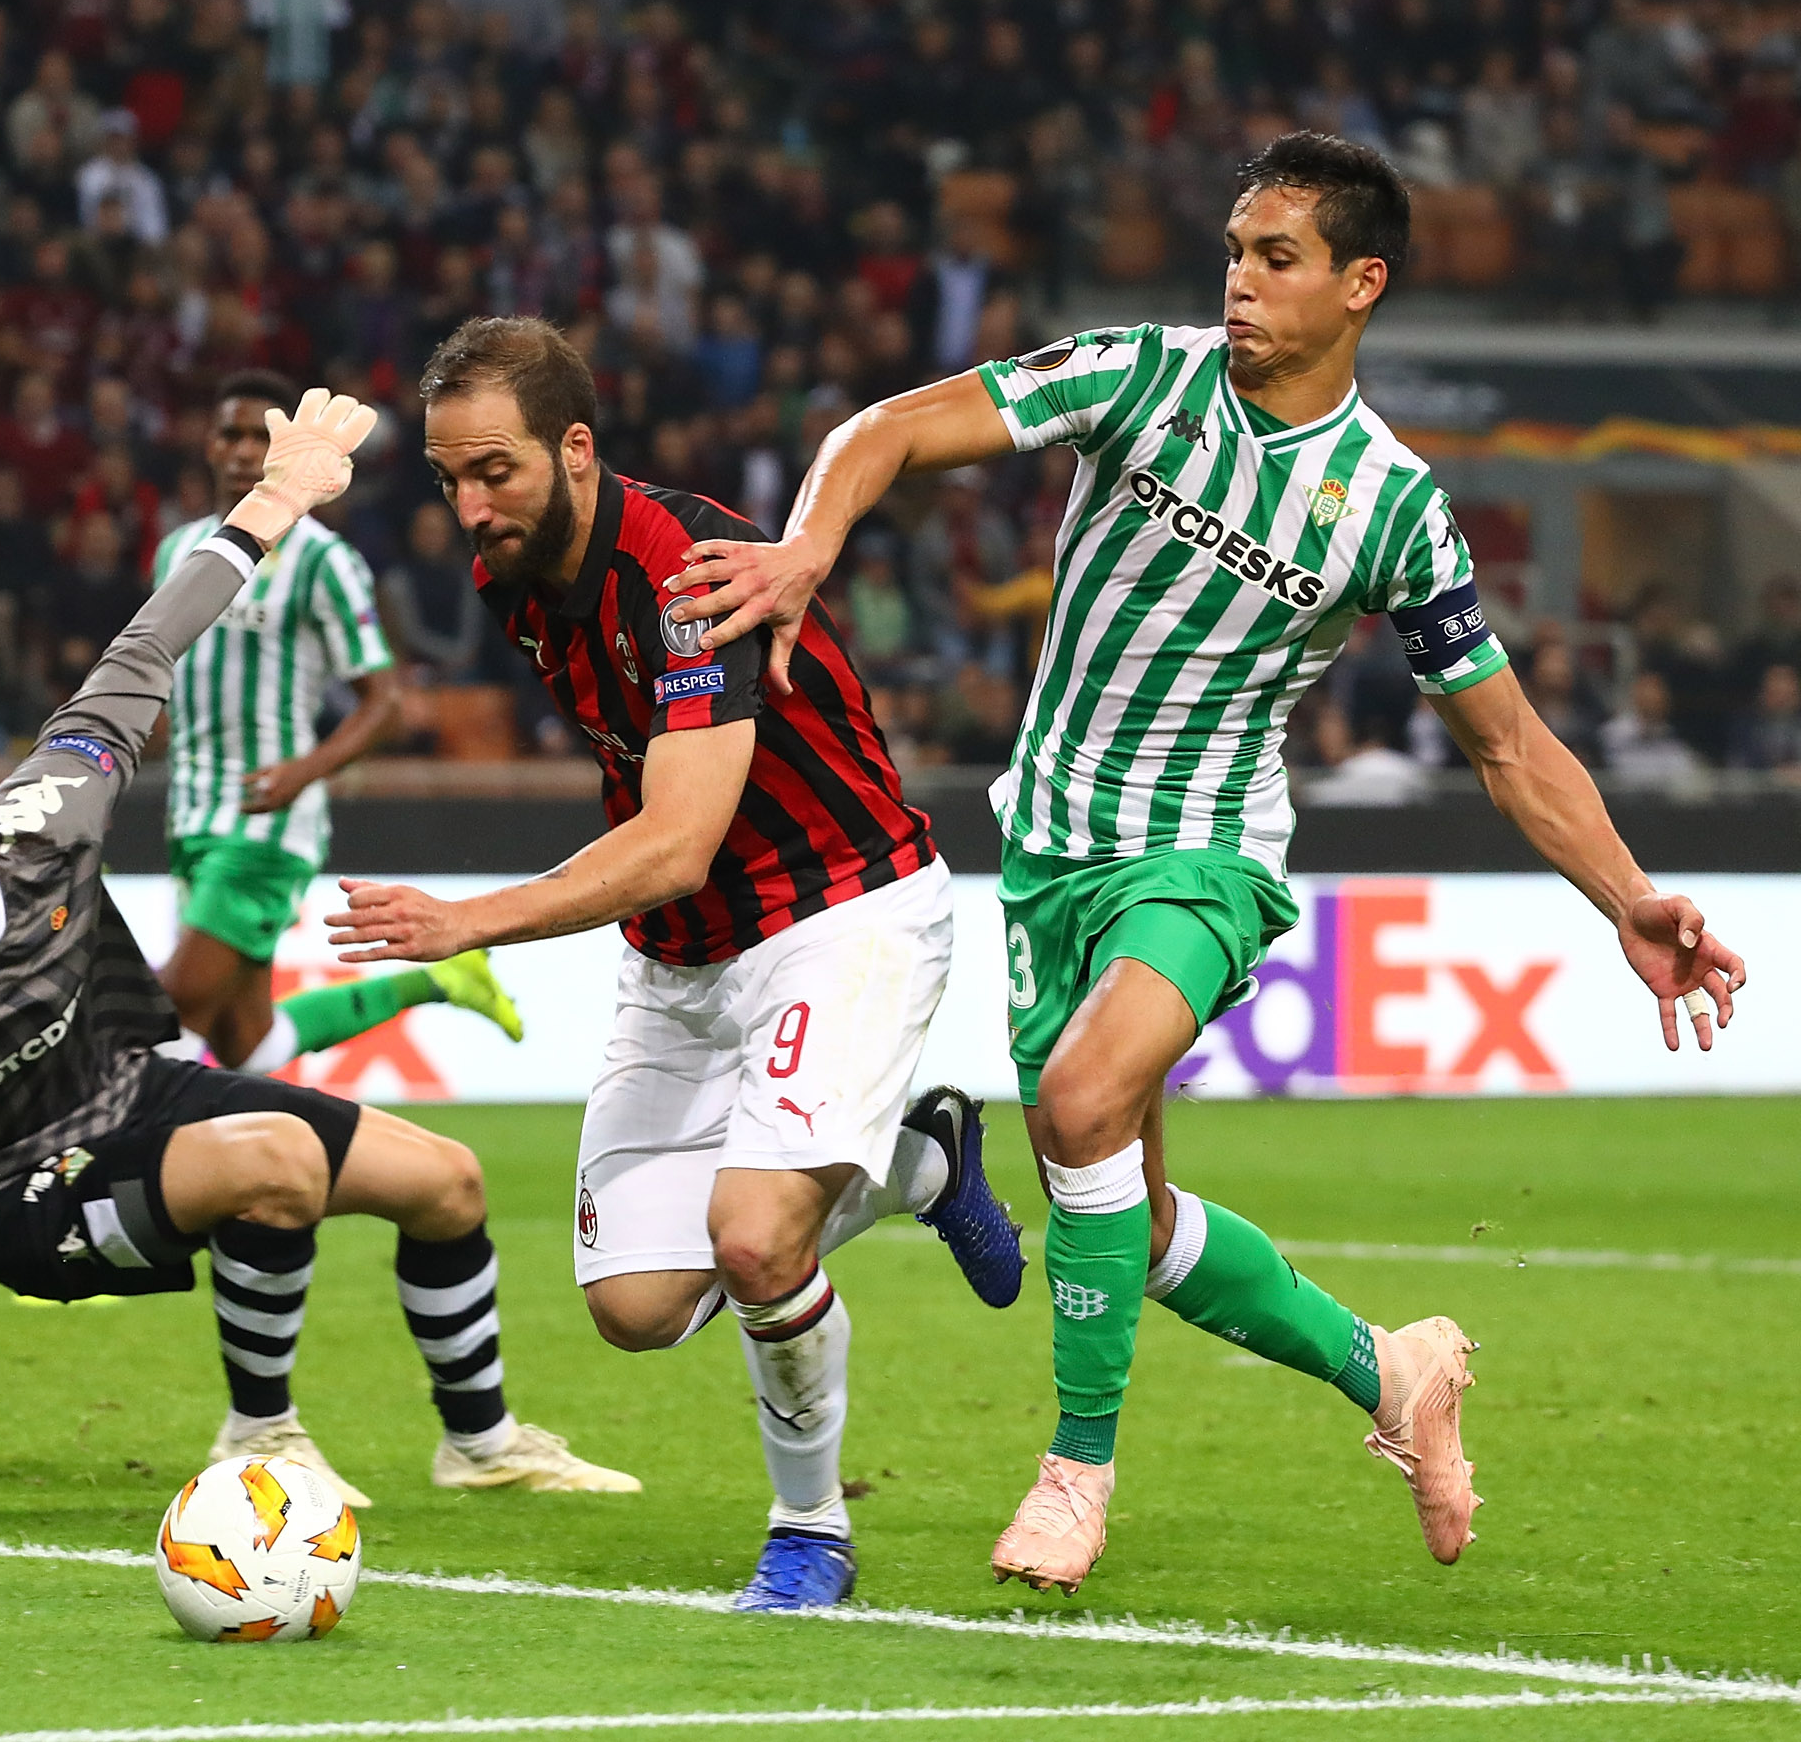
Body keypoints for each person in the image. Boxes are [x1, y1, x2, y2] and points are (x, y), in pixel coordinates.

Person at [667, 131, 1749, 1594]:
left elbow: (1507, 745)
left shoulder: (1393, 506)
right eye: (1236, 252)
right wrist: (807, 547)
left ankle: (1074, 1478)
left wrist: (1631, 897)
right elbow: (894, 427)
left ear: (1361, 284)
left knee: (1079, 1097)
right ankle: (1393, 1369)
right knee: (1136, 1219)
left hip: (1204, 853)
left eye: (1278, 258)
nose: (1240, 284)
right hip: (1050, 848)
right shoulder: (1139, 374)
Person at [0, 388, 635, 1508]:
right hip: (7, 1197)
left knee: (448, 1180)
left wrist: (276, 498)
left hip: (129, 1090)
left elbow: (151, 641)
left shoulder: (49, 808)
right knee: (271, 1159)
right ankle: (259, 1433)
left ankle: (481, 1440)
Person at [328, 318, 1026, 1612]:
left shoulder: (685, 571)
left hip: (841, 906)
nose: (469, 508)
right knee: (637, 1305)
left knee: (757, 1244)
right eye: (447, 479)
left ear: (577, 449)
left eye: (496, 472)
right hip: (687, 962)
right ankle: (923, 1161)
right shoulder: (514, 572)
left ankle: (809, 1530)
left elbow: (677, 842)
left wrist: (469, 921)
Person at [155, 371, 523, 1089]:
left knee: (171, 1012)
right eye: (229, 433)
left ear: (287, 450)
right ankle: (433, 983)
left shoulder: (324, 560)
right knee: (245, 1045)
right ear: (206, 444)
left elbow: (385, 703)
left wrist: (302, 772)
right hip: (189, 814)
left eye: (260, 436)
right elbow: (166, 685)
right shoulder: (177, 552)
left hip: (263, 828)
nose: (241, 450)